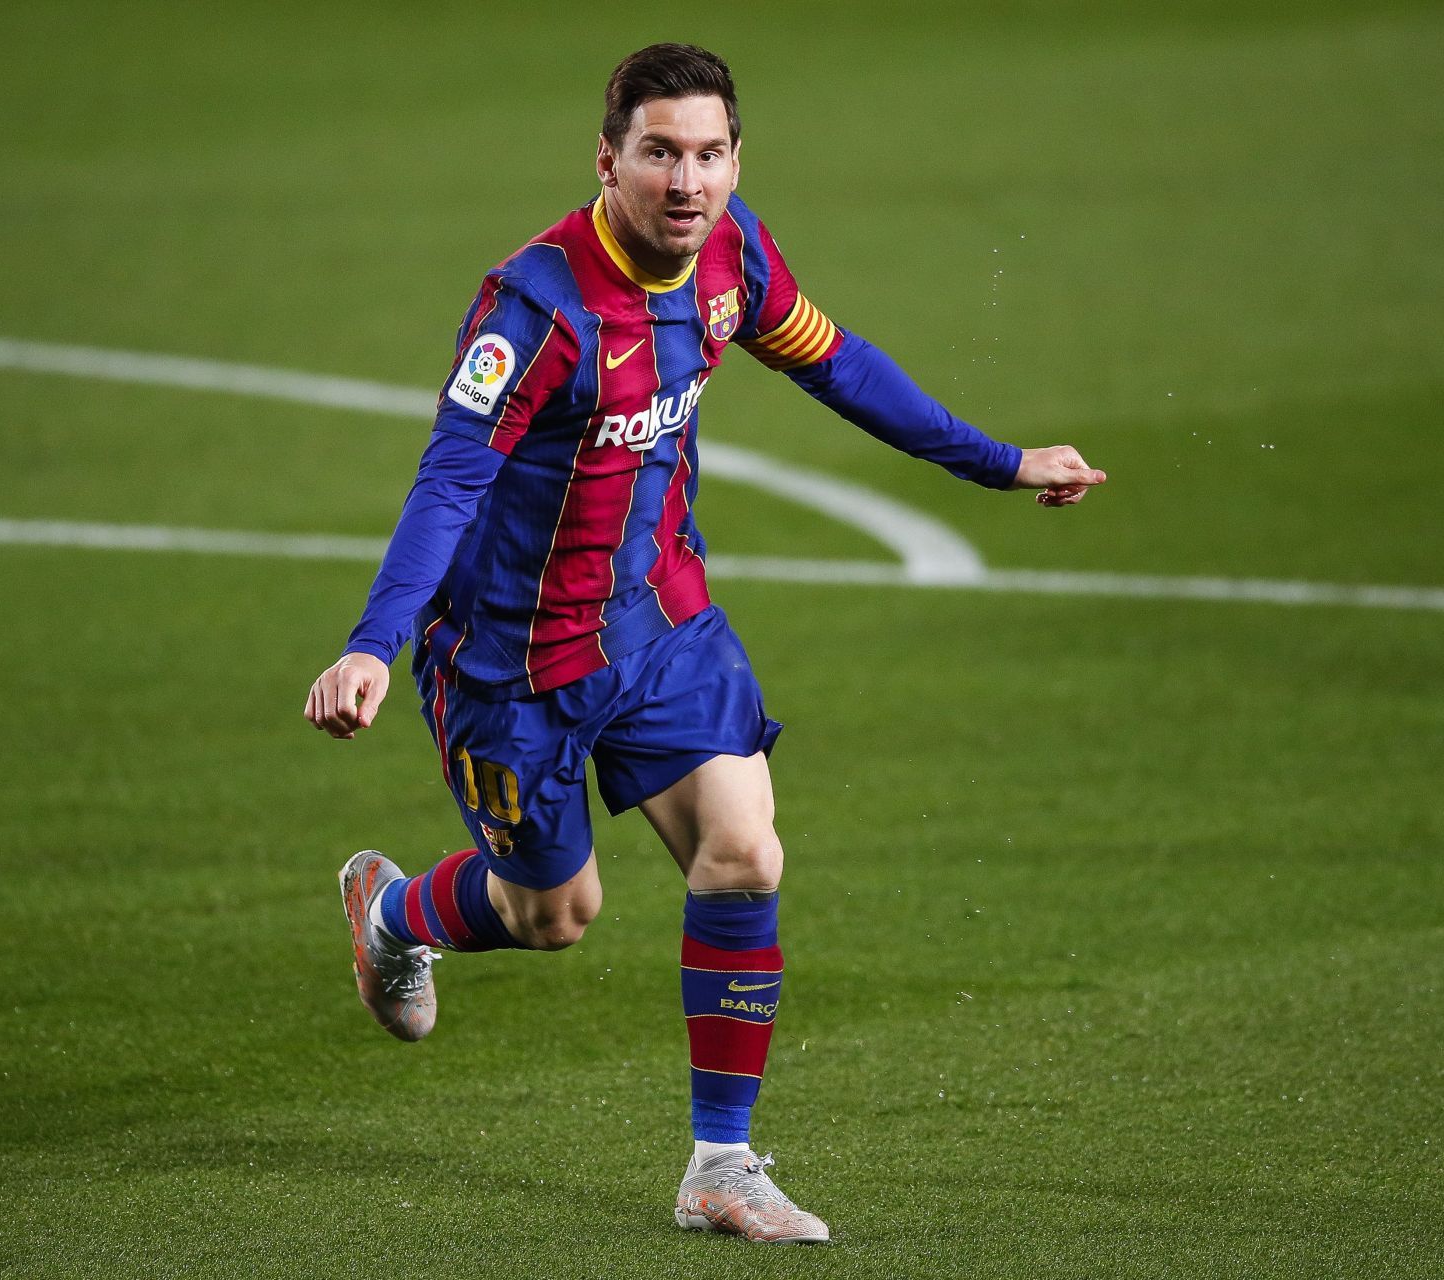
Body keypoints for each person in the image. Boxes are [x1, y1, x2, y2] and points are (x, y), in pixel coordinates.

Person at [304, 42, 1105, 1245]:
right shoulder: (536, 307)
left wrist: (997, 460)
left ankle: (720, 1164)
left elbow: (835, 361)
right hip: (513, 664)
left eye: (710, 154)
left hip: (662, 619)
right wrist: (374, 641)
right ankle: (397, 915)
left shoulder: (732, 251)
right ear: (608, 160)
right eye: (660, 154)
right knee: (552, 913)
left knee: (745, 850)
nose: (688, 182)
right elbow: (451, 477)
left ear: (736, 158)